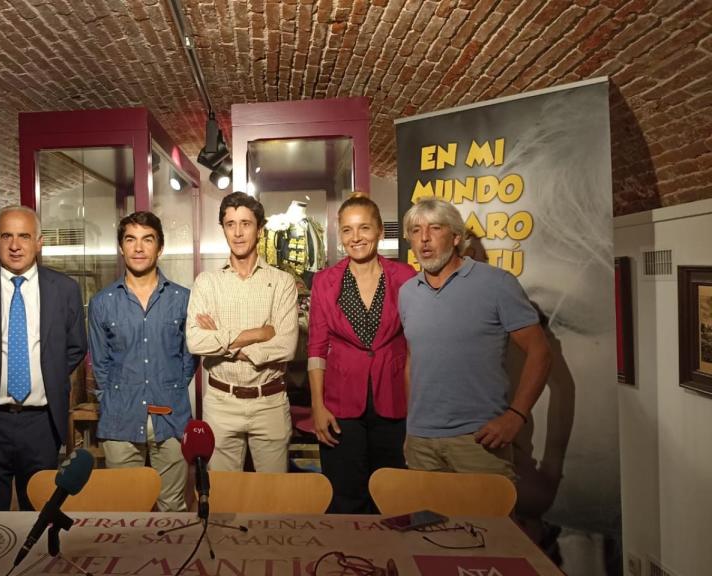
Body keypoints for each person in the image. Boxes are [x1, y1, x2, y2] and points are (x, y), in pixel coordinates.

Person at [399, 198, 551, 481]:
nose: (425, 239)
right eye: (416, 230)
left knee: (490, 525)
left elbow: (540, 352)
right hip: (421, 443)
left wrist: (515, 416)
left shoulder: (497, 284)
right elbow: (413, 360)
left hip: (478, 441)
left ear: (456, 236)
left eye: (435, 228)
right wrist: (412, 424)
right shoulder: (408, 292)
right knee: (425, 525)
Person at [0, 205, 86, 510]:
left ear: (39, 242)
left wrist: (47, 374)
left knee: (40, 514)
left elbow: (76, 346)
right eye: (7, 236)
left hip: (42, 424)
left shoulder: (64, 290)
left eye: (24, 236)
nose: (15, 245)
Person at [307, 193, 416, 513]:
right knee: (344, 497)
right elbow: (315, 347)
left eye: (364, 228)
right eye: (347, 230)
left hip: (395, 400)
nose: (356, 238)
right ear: (340, 236)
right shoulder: (325, 281)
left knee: (395, 499)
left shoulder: (406, 277)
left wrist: (417, 407)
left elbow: (415, 344)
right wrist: (317, 405)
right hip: (341, 404)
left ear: (381, 230)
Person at [88, 211, 196, 512]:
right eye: (130, 240)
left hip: (170, 418)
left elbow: (189, 359)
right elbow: (100, 365)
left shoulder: (183, 299)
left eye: (147, 240)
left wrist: (170, 388)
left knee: (173, 508)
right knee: (124, 511)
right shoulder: (102, 303)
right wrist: (112, 401)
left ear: (160, 248)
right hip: (120, 420)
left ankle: (172, 562)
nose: (138, 248)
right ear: (121, 248)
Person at [186, 192, 298, 472]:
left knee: (274, 500)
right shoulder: (206, 282)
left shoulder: (282, 282)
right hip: (221, 402)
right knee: (223, 498)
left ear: (259, 229)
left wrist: (221, 340)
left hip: (270, 402)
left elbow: (286, 347)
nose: (237, 233)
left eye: (245, 223)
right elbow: (195, 341)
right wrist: (258, 333)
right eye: (230, 224)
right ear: (223, 228)